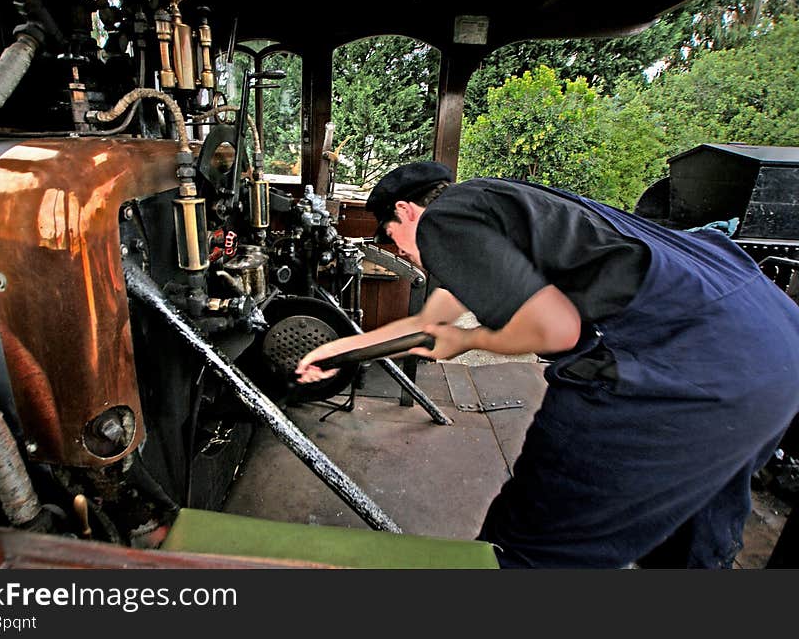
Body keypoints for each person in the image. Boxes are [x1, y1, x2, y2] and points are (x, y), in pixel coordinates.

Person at [295, 161, 799, 568]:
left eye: (391, 238)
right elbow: (430, 322)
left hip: (674, 369)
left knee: (526, 553)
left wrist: (471, 337)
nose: (405, 254)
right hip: (771, 353)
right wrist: (338, 350)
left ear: (406, 211)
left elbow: (558, 330)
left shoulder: (445, 221)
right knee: (692, 543)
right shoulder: (512, 204)